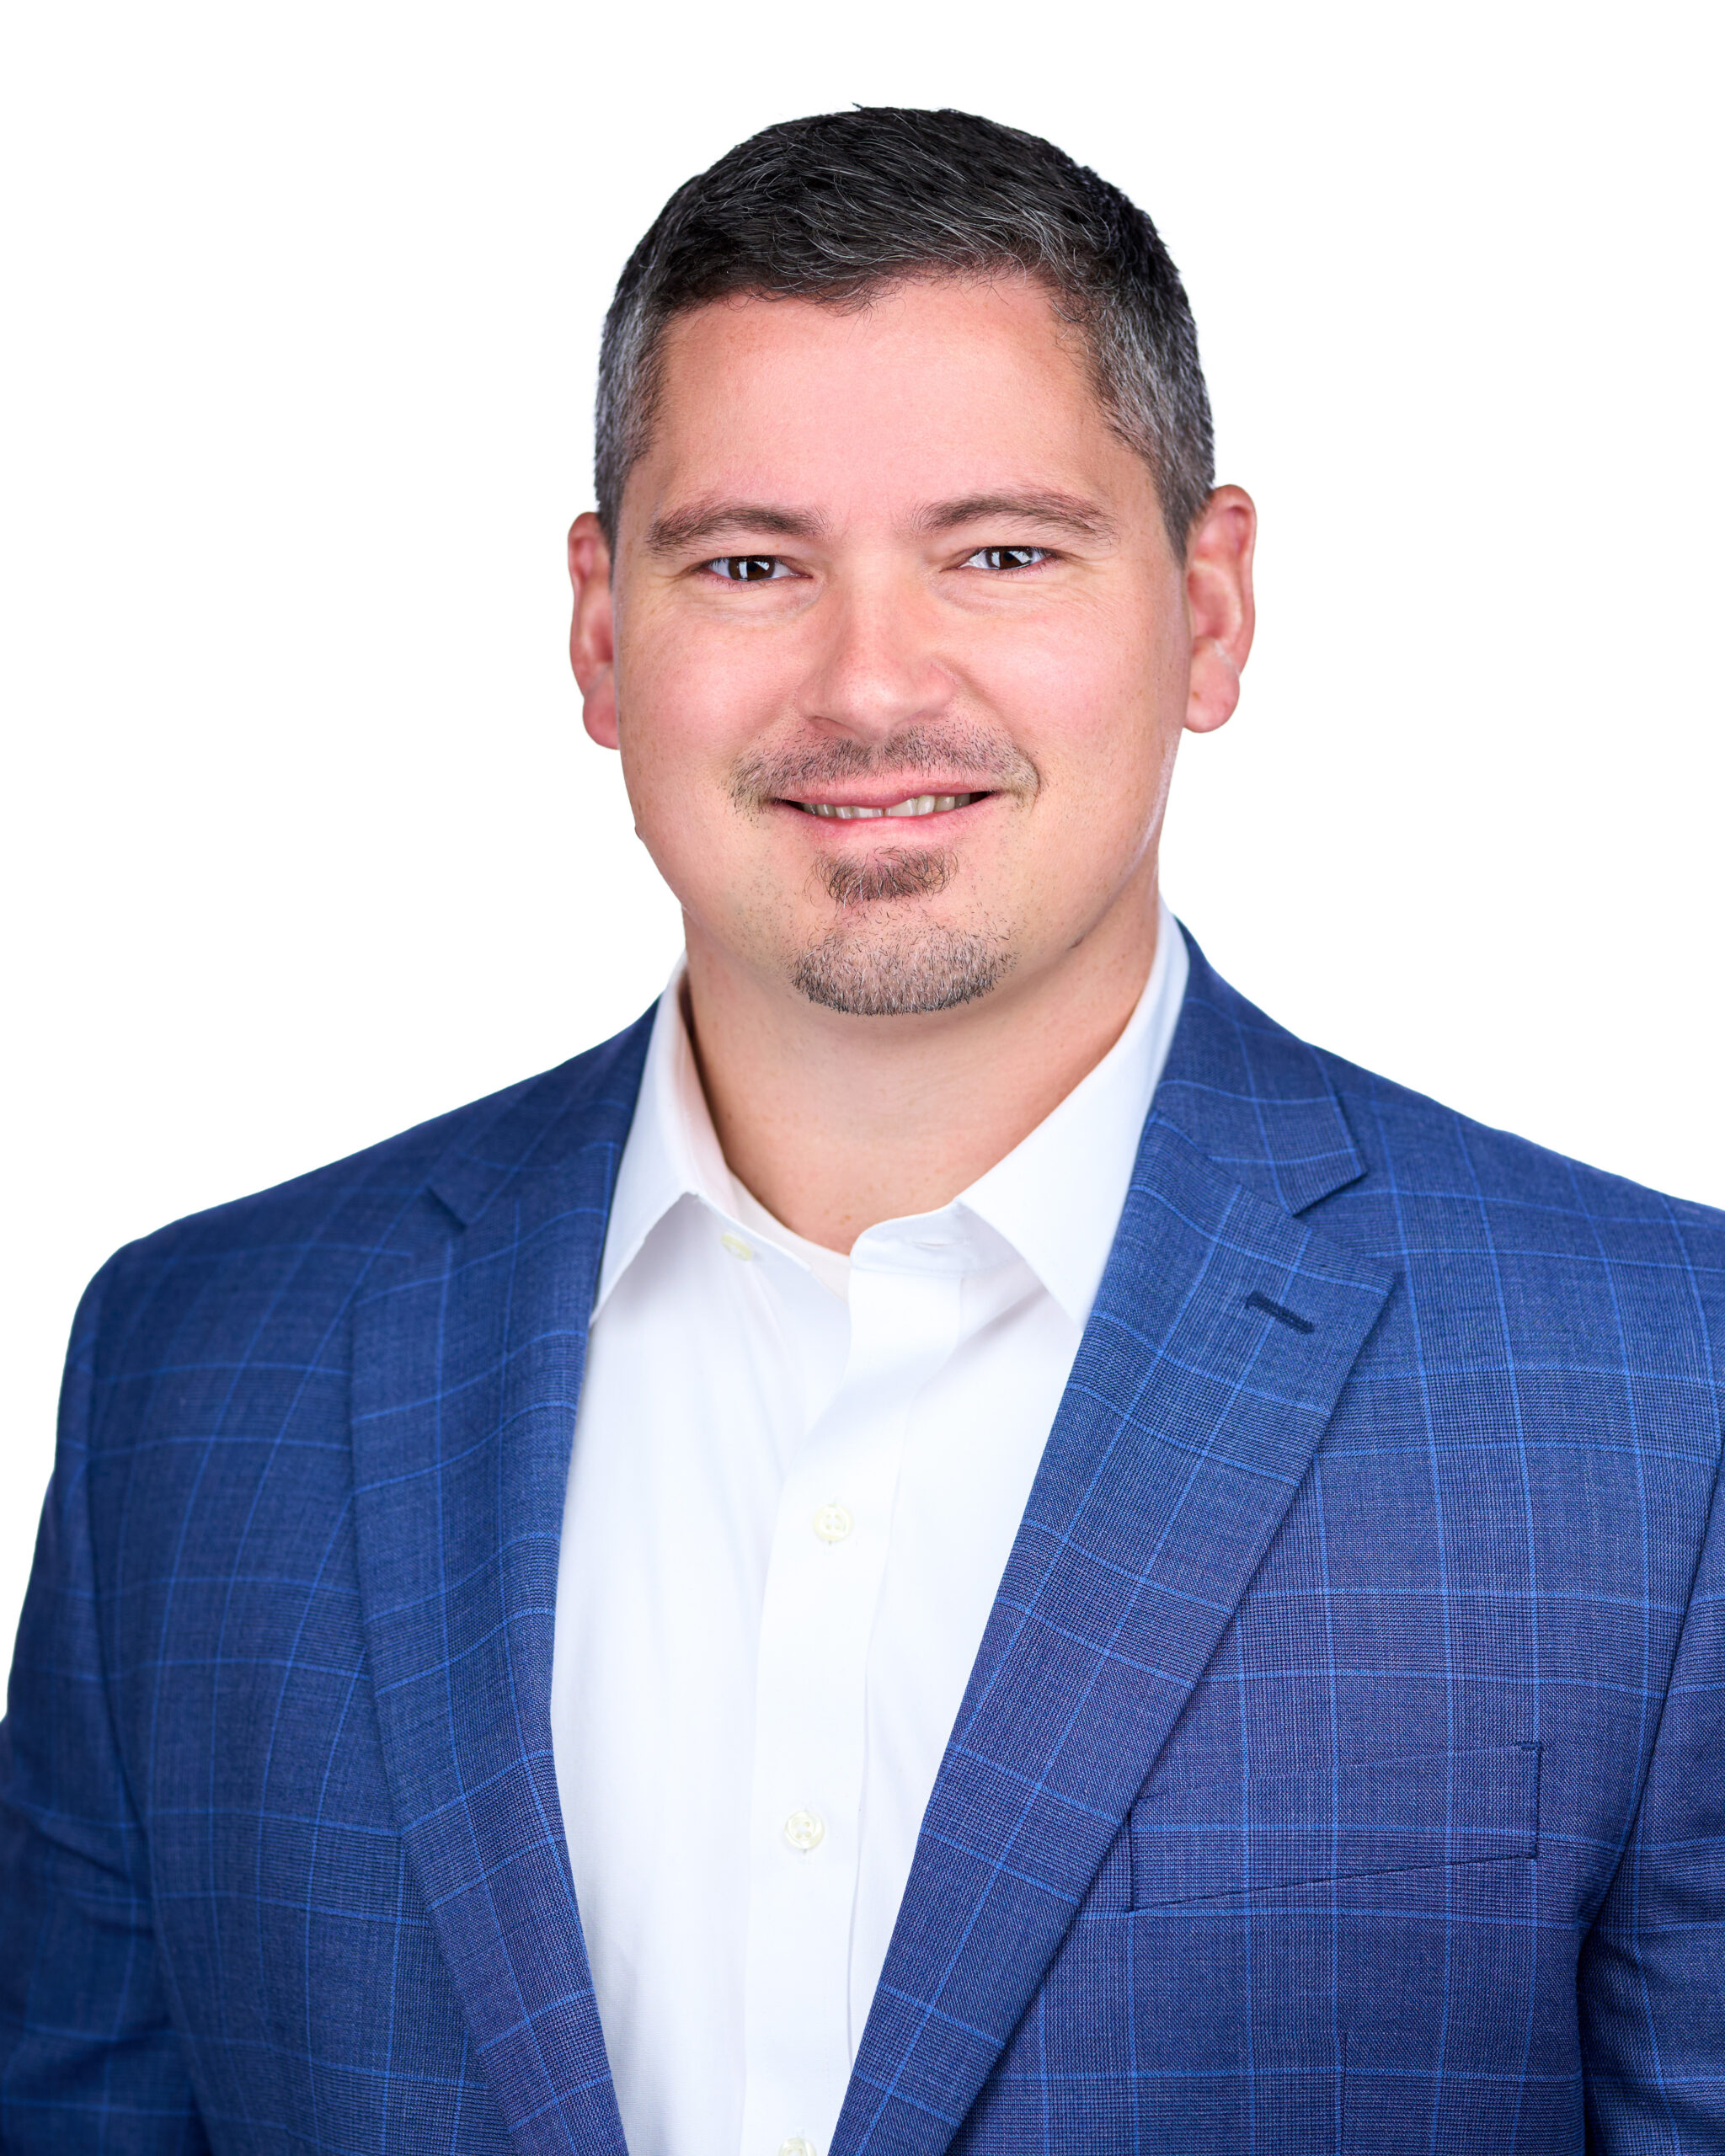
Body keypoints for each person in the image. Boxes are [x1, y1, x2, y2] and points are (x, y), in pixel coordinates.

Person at [2, 104, 1720, 2156]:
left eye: (1002, 551)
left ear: (1209, 604)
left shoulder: (1661, 1396)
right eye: (749, 562)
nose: (871, 680)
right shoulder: (198, 1374)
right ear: (601, 628)